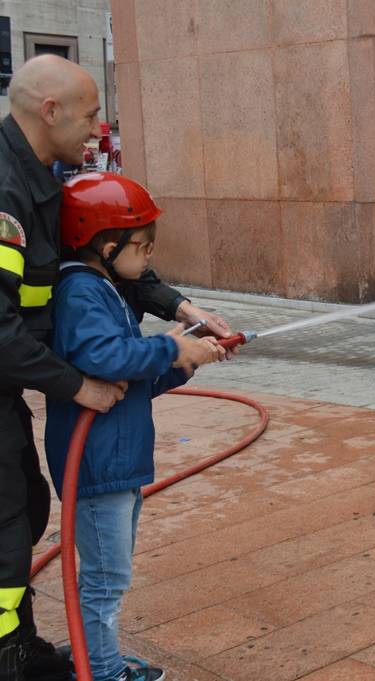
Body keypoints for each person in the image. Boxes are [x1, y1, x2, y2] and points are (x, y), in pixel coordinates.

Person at [0, 55, 224, 681]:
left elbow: (108, 256)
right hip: (37, 402)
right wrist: (83, 383)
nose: (100, 130)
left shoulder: (46, 180)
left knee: (24, 510)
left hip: (29, 397)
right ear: (51, 111)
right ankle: (29, 660)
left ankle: (23, 648)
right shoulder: (6, 192)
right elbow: (12, 331)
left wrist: (184, 322)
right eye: (93, 114)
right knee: (14, 529)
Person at [45, 172, 225, 681]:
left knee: (108, 576)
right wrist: (171, 346)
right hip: (100, 468)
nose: (148, 259)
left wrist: (188, 361)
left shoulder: (106, 286)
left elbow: (129, 377)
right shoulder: (82, 291)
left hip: (116, 465)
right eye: (143, 247)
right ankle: (102, 671)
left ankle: (97, 657)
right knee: (105, 579)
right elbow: (102, 355)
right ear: (106, 245)